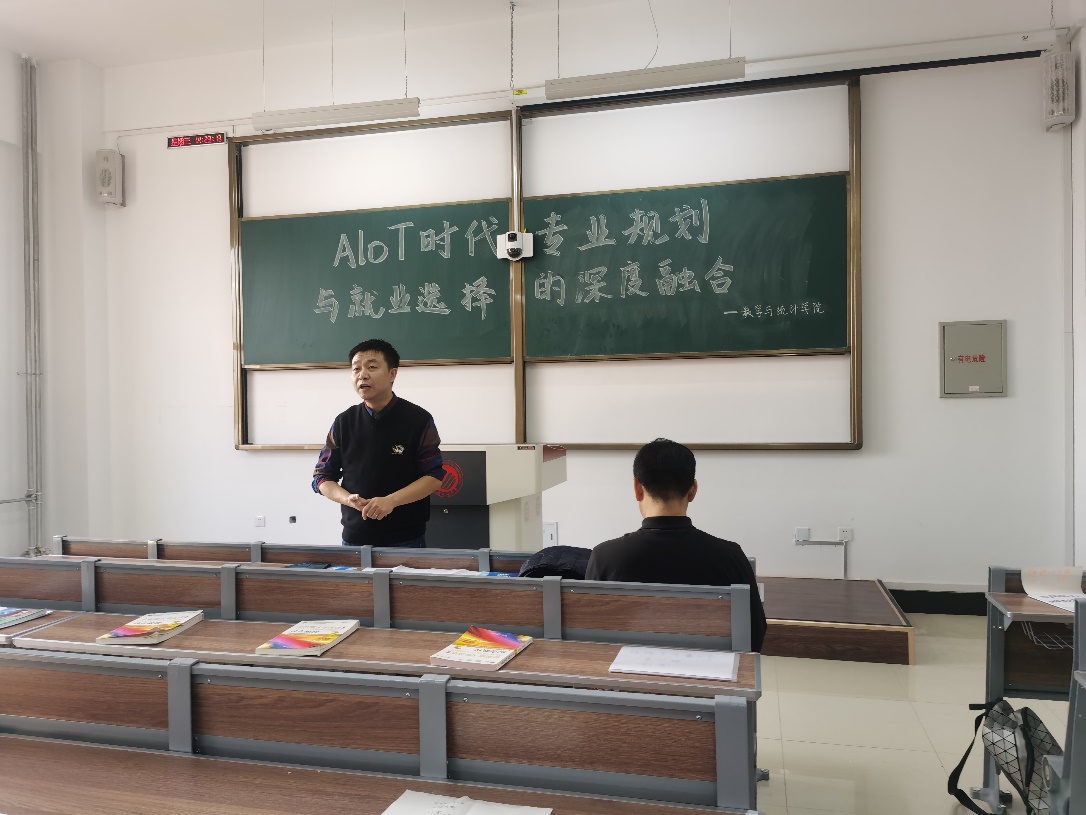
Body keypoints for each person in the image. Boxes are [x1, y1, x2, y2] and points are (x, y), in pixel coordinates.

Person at [585, 438, 768, 651]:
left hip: (625, 671)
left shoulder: (605, 557)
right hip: (707, 671)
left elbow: (589, 634)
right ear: (693, 490)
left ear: (637, 488)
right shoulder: (730, 556)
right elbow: (755, 634)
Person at [312, 339, 445, 548]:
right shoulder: (344, 422)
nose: (362, 375)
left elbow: (434, 476)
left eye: (372, 367)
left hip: (406, 540)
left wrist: (391, 501)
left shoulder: (418, 419)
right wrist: (348, 499)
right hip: (354, 540)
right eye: (356, 369)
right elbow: (322, 477)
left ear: (392, 374)